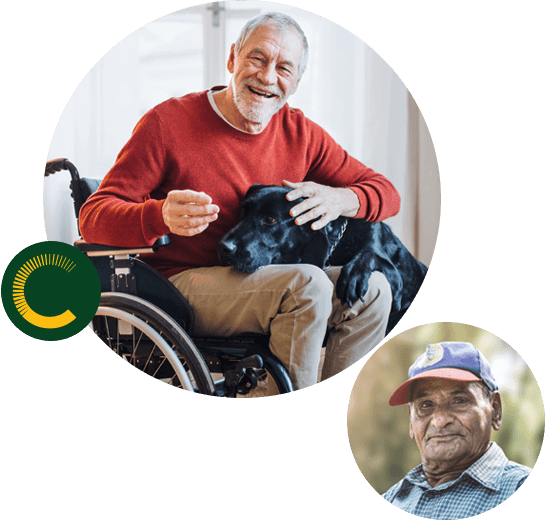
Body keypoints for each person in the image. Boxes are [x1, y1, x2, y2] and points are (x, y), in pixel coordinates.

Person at [79, 12, 401, 393]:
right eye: (257, 58)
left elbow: (386, 192)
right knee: (308, 283)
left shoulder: (302, 134)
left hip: (262, 280)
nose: (267, 77)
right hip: (181, 285)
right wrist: (159, 214)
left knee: (374, 291)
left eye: (283, 67)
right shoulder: (167, 123)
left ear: (295, 82)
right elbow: (92, 217)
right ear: (232, 59)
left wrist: (341, 197)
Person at [383, 342, 532, 518]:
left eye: (459, 401)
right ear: (411, 422)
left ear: (495, 410)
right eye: (425, 405)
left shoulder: (517, 485)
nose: (440, 420)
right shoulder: (392, 498)